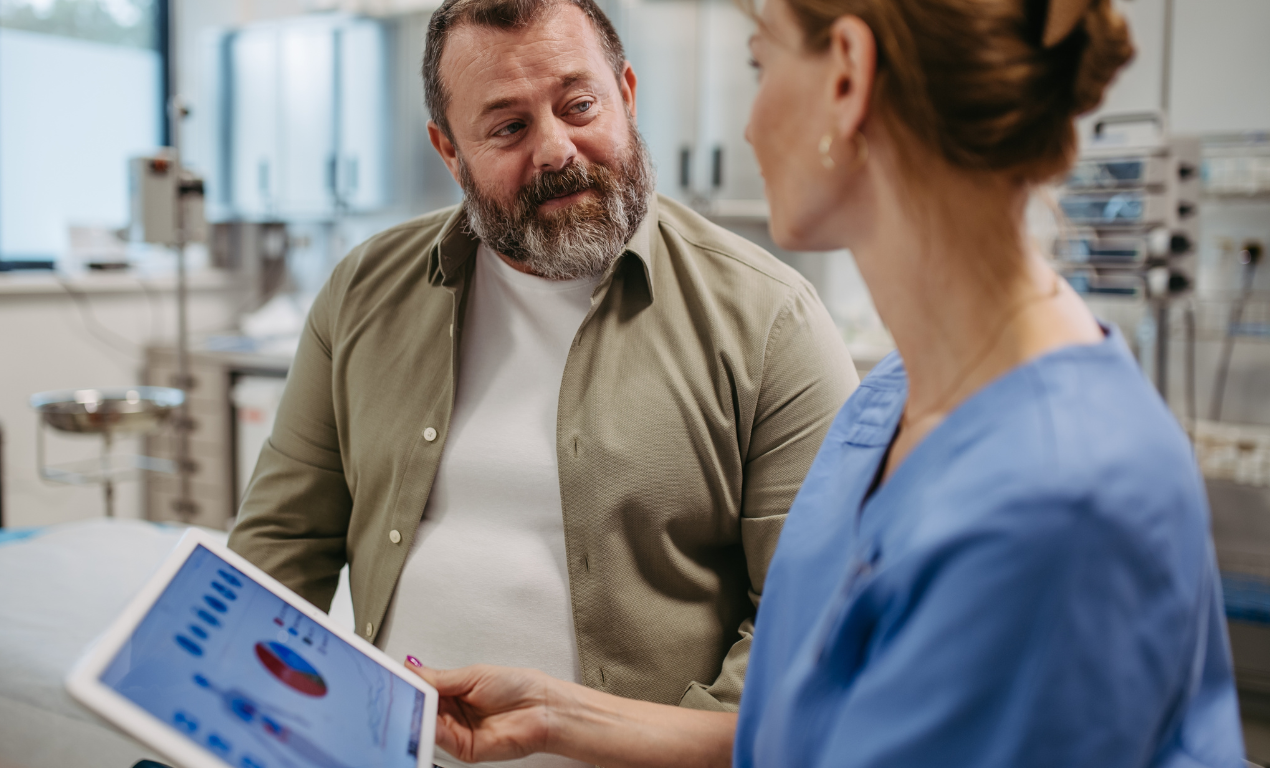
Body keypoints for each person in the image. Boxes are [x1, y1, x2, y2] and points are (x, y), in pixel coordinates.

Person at [401, 0, 1248, 765]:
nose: (750, 125)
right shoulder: (888, 408)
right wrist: (554, 715)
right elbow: (798, 734)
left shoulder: (1062, 498)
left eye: (762, 68)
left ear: (846, 76)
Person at [227, 0, 860, 765]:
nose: (557, 148)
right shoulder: (364, 293)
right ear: (449, 153)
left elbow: (809, 631)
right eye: (508, 127)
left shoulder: (770, 323)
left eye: (579, 105)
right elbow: (280, 549)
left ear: (626, 93)